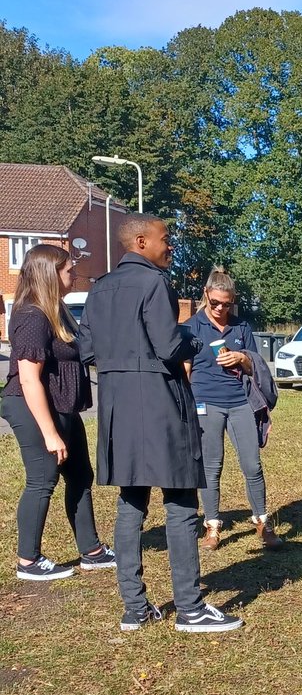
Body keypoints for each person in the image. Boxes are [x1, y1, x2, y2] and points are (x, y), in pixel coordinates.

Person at [78, 215, 242, 634]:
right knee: (182, 503)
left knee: (130, 503)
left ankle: (135, 608)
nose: (170, 247)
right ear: (140, 241)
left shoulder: (98, 288)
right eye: (165, 240)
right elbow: (170, 344)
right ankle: (190, 608)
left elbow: (86, 350)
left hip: (116, 407)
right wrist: (195, 340)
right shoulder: (154, 283)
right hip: (160, 404)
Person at [2, 244, 114, 580]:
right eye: (68, 270)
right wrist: (50, 434)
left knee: (80, 475)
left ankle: (92, 551)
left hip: (63, 406)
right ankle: (28, 561)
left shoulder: (57, 310)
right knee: (43, 479)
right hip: (32, 406)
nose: (74, 274)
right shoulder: (32, 316)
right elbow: (29, 379)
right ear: (50, 274)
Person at [185, 267, 282, 551]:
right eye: (214, 302)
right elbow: (186, 371)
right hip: (206, 403)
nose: (220, 308)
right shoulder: (191, 327)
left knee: (252, 465)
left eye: (226, 304)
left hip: (240, 403)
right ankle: (212, 526)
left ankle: (262, 523)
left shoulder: (241, 328)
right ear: (205, 295)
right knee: (211, 467)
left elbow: (256, 368)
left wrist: (242, 358)